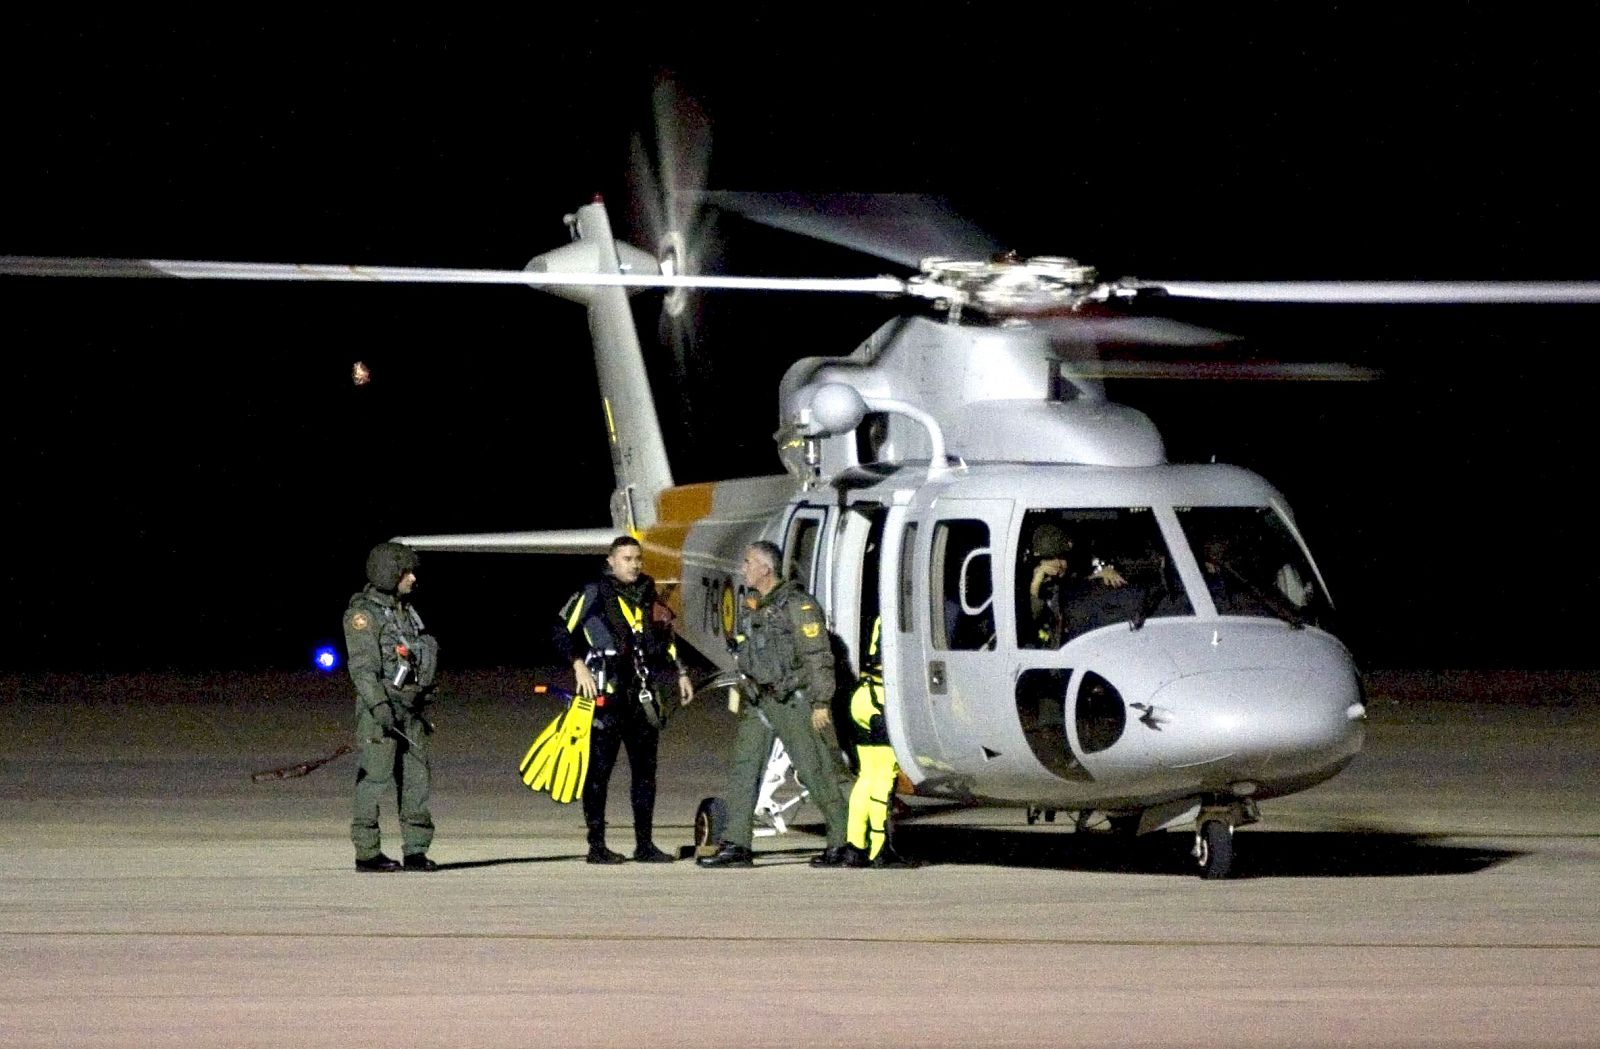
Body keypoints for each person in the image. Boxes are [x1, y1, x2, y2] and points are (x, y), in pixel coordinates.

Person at [699, 541, 852, 868]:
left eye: (748, 562)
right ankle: (736, 843)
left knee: (816, 770)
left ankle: (843, 841)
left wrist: (821, 702)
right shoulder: (755, 604)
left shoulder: (797, 605)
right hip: (759, 700)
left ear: (766, 568)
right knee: (744, 768)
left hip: (793, 701)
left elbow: (817, 655)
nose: (743, 568)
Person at [553, 535, 694, 864]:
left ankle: (644, 845)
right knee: (598, 773)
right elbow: (561, 629)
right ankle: (597, 846)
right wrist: (578, 666)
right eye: (627, 559)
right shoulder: (594, 592)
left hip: (641, 696)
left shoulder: (648, 593)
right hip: (608, 696)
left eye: (638, 558)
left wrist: (682, 672)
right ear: (611, 561)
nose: (634, 565)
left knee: (645, 773)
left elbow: (666, 636)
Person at [344, 541, 441, 872]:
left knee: (416, 780)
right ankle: (367, 852)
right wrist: (380, 706)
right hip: (381, 712)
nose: (413, 578)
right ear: (390, 574)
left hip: (411, 709)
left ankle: (416, 850)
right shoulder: (363, 615)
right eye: (406, 572)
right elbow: (363, 669)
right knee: (374, 779)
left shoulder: (405, 612)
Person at [844, 616, 916, 868]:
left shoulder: (880, 618)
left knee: (866, 777)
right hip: (881, 699)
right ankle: (880, 849)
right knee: (884, 779)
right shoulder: (899, 615)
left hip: (863, 697)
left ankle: (855, 847)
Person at [1025, 522, 1127, 648]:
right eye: (1050, 559)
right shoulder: (1023, 591)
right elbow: (1028, 624)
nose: (1058, 564)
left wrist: (1102, 574)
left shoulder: (1067, 584)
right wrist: (1035, 585)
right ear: (1038, 562)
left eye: (1062, 557)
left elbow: (1079, 586)